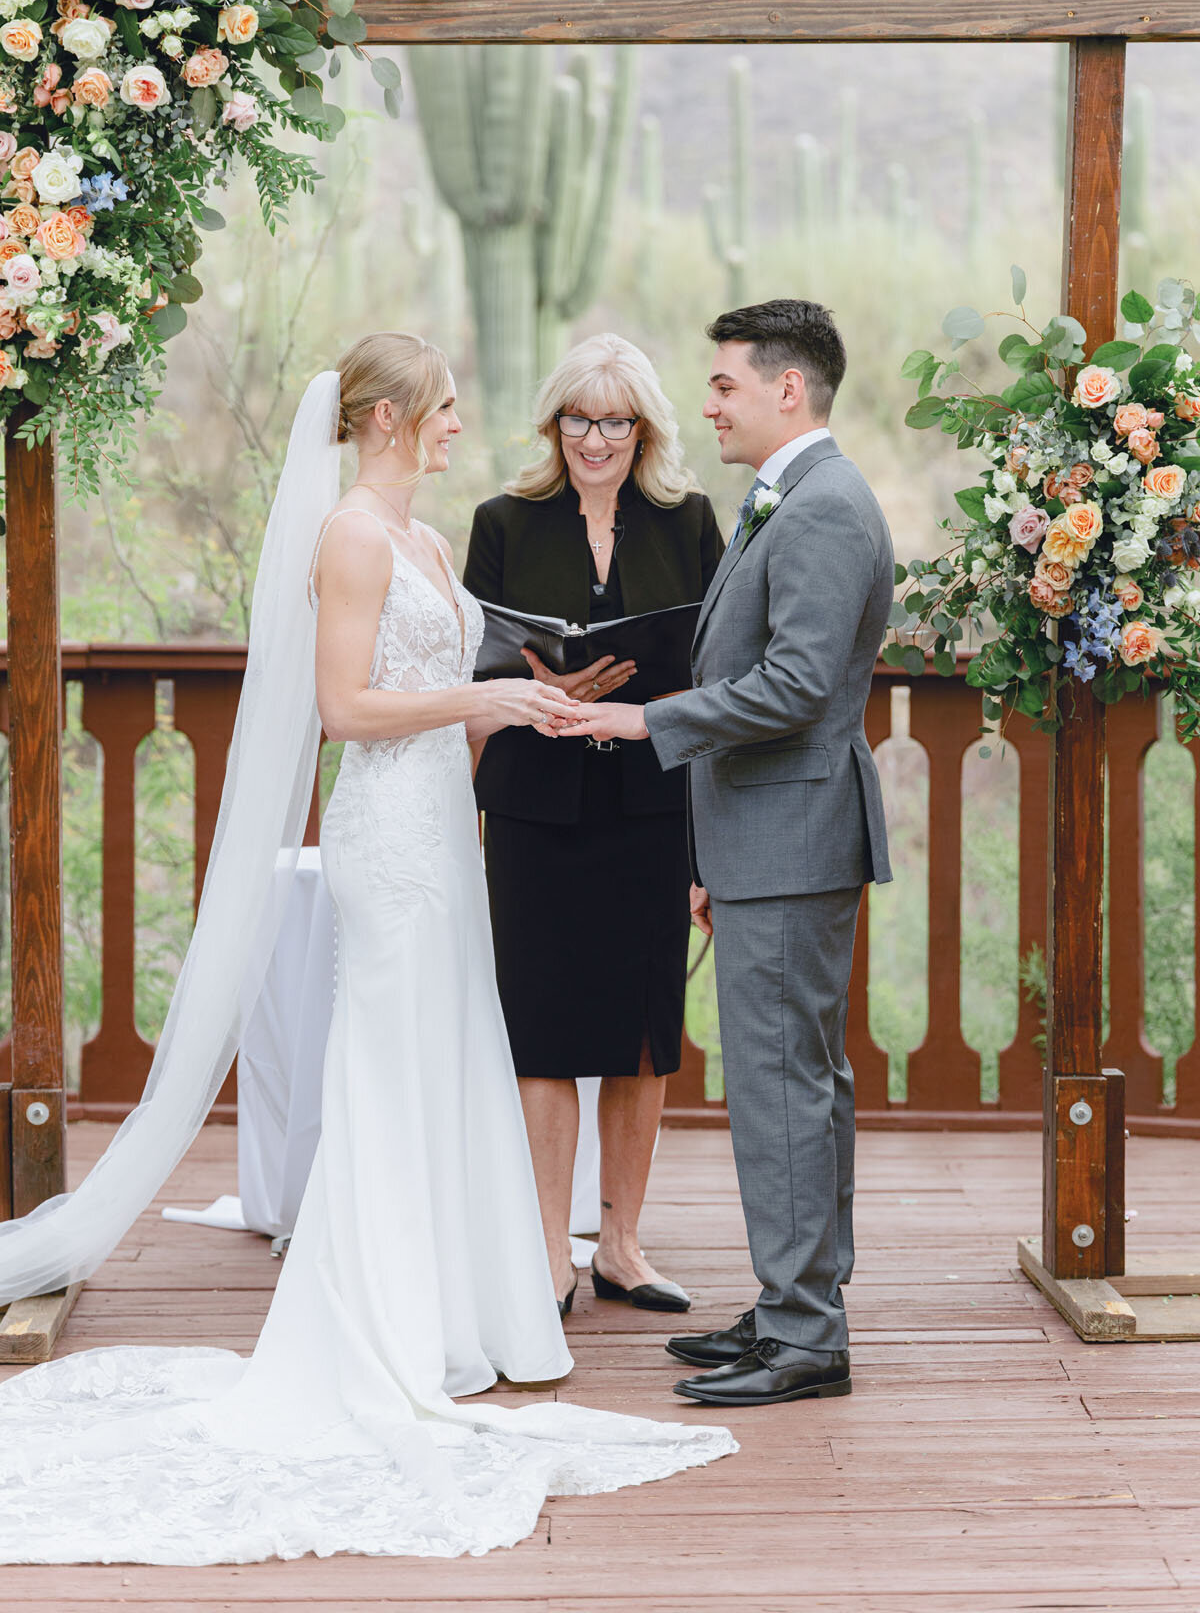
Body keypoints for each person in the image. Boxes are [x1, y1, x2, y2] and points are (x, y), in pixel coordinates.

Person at [0, 333, 734, 1565]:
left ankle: (465, 1306)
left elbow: (472, 672)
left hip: (448, 829)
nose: (459, 426)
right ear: (388, 418)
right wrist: (486, 702)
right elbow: (346, 710)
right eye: (444, 408)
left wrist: (536, 700)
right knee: (390, 1066)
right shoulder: (347, 536)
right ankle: (383, 1321)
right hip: (389, 835)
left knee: (456, 1054)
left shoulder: (431, 545)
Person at [565, 300, 893, 1410]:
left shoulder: (824, 510)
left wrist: (649, 723)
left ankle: (805, 1335)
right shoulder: (791, 499)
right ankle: (797, 1305)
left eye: (723, 385)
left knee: (782, 1088)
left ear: (786, 389)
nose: (707, 403)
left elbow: (800, 686)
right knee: (797, 1085)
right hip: (765, 839)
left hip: (791, 837)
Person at [464, 333, 723, 1317]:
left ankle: (621, 1244)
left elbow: (712, 683)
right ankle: (549, 1252)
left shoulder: (691, 522)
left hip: (652, 811)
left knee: (645, 1039)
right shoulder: (503, 522)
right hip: (538, 809)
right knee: (543, 1033)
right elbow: (479, 672)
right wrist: (543, 686)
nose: (596, 440)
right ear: (554, 424)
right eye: (579, 419)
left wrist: (705, 853)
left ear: (644, 429)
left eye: (616, 421)